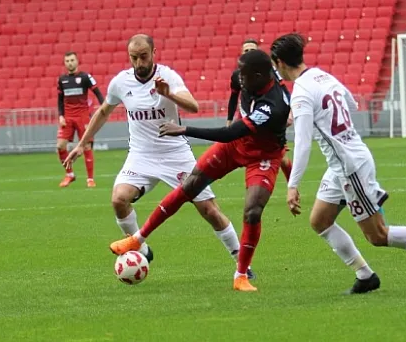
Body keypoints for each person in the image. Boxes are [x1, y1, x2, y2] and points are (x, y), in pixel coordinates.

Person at [276, 33, 406, 295]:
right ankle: (365, 275)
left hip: (350, 166)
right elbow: (350, 101)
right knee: (320, 220)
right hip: (341, 164)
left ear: (280, 63)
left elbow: (302, 143)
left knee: (377, 235)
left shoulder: (300, 93)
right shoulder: (321, 76)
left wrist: (292, 185)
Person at [65, 35, 249, 277]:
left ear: (153, 52)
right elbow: (102, 111)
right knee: (119, 199)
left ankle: (242, 263)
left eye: (143, 56)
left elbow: (193, 106)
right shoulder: (121, 82)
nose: (139, 62)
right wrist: (81, 144)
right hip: (141, 155)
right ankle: (141, 248)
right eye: (134, 58)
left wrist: (169, 94)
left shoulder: (168, 76)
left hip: (175, 153)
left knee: (209, 209)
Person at [109, 49, 291, 292]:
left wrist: (185, 130)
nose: (239, 78)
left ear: (260, 75)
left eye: (245, 75)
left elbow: (229, 134)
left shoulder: (274, 106)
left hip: (263, 155)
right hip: (237, 145)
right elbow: (235, 95)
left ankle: (241, 275)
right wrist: (230, 113)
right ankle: (137, 239)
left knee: (252, 211)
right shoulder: (246, 76)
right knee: (190, 186)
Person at [227, 39, 293, 182]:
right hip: (246, 116)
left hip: (266, 116)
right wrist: (229, 120)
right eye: (246, 51)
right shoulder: (237, 76)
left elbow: (283, 90)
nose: (249, 53)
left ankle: (292, 183)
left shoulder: (269, 72)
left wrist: (289, 112)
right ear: (241, 54)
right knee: (234, 148)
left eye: (252, 50)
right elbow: (233, 97)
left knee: (281, 158)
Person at [56, 52, 104, 188]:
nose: (69, 63)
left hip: (82, 116)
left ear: (77, 61)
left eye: (72, 60)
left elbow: (98, 93)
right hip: (68, 117)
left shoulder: (85, 77)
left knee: (87, 146)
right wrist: (61, 115)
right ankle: (70, 174)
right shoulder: (62, 80)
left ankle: (90, 179)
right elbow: (60, 100)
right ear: (65, 63)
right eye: (67, 61)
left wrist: (104, 108)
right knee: (60, 146)